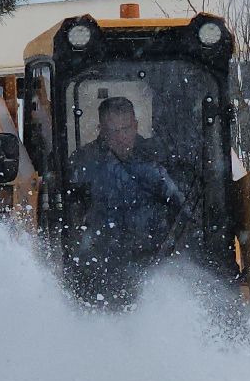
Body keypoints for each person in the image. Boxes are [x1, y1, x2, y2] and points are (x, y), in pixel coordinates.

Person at [67, 96, 191, 301]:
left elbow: (182, 210)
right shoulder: (84, 164)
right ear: (102, 131)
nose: (121, 138)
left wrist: (173, 251)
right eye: (113, 131)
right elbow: (72, 215)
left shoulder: (157, 159)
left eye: (126, 129)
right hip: (101, 265)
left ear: (136, 126)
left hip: (152, 258)